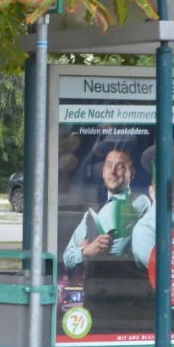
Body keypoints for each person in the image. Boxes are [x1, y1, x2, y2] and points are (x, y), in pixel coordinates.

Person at [61, 143, 154, 334]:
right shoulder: (90, 215)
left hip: (134, 298)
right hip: (97, 301)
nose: (113, 171)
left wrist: (94, 249)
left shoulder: (141, 204)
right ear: (103, 172)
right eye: (109, 166)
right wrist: (86, 251)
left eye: (120, 166)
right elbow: (67, 257)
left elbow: (132, 247)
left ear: (131, 173)